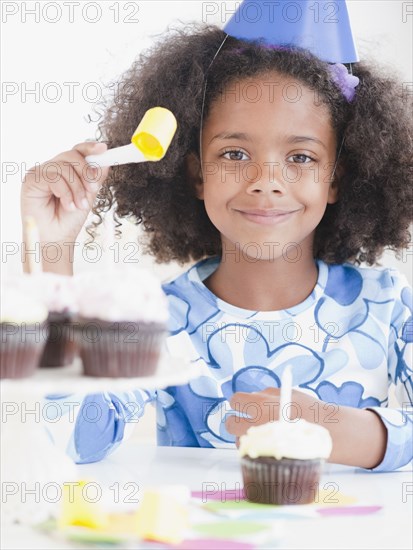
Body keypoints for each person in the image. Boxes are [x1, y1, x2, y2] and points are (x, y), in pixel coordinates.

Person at [21, 23, 412, 471]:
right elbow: (79, 441)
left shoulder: (385, 304)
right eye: (234, 155)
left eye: (301, 158)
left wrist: (329, 427)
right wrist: (52, 251)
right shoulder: (160, 317)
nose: (266, 182)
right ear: (197, 175)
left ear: (335, 179)